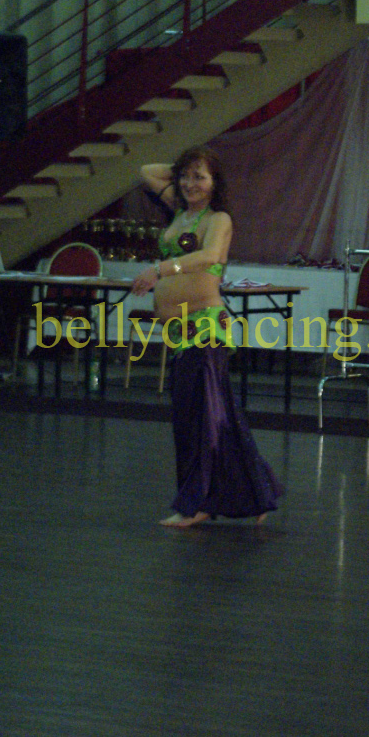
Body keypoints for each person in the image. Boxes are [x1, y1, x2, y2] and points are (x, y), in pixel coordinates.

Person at [132, 145, 284, 528]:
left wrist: (160, 270)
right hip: (179, 329)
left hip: (205, 327)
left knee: (197, 418)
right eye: (185, 177)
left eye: (200, 177)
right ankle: (255, 494)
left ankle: (197, 504)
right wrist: (183, 166)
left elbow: (210, 257)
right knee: (216, 416)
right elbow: (146, 170)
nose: (190, 184)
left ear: (216, 183)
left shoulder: (218, 219)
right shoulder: (179, 211)